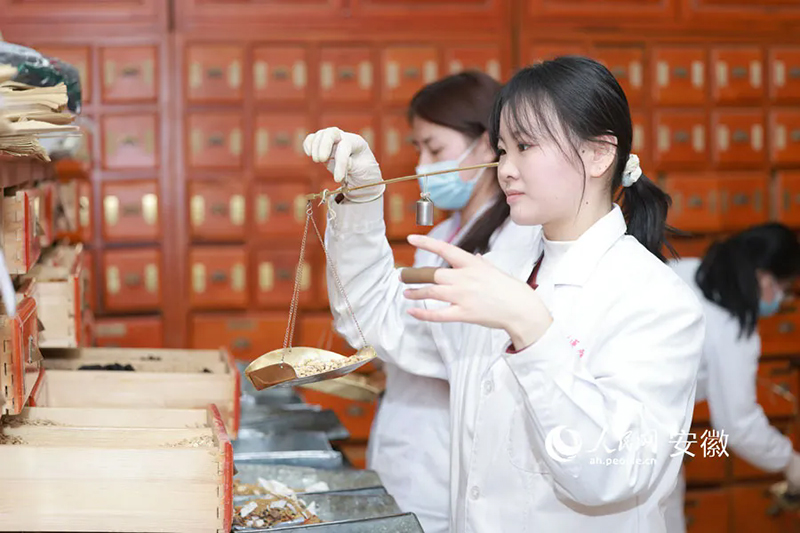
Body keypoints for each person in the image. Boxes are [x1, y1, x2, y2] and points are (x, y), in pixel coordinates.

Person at [305, 55, 705, 531]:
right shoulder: (499, 270)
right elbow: (373, 319)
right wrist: (363, 198)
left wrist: (534, 331)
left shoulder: (657, 299)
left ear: (599, 154)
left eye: (525, 146)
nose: (506, 170)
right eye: (502, 149)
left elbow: (613, 474)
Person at [366, 71, 536, 533]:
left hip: (445, 459)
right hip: (406, 442)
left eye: (434, 149)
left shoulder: (515, 240)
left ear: (484, 146)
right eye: (417, 149)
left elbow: (456, 350)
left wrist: (389, 333)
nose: (422, 165)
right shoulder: (443, 233)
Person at [666, 224, 800, 532]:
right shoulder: (734, 330)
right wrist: (789, 462)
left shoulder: (683, 270)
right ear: (763, 277)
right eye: (782, 287)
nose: (781, 298)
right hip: (643, 444)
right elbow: (739, 424)